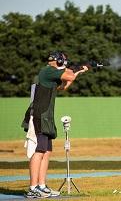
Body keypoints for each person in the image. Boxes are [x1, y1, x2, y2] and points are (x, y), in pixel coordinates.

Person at [21, 51, 88, 198]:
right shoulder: (48, 71)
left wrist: (78, 72)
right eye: (63, 61)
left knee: (47, 151)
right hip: (40, 116)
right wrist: (76, 70)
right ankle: (33, 188)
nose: (64, 63)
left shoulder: (51, 74)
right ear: (58, 61)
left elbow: (63, 86)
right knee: (38, 151)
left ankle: (42, 186)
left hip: (46, 117)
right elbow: (68, 75)